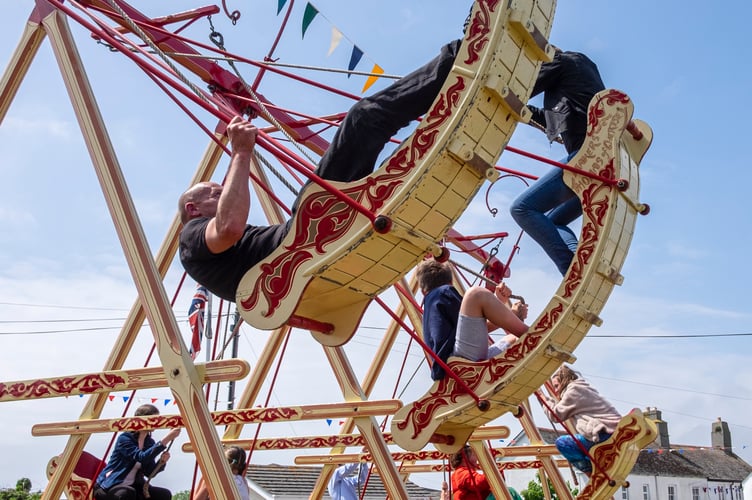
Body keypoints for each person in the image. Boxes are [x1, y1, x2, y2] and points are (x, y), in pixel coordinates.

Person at [179, 39, 463, 302]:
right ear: (193, 208)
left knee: (387, 163)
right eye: (216, 192)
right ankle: (458, 57)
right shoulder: (192, 236)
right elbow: (229, 228)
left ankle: (454, 85)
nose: (222, 192)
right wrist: (241, 152)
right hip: (305, 236)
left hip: (306, 253)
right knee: (362, 120)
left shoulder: (220, 256)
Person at [509, 47, 606, 276]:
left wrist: (494, 90)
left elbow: (520, 90)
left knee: (522, 209)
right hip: (604, 161)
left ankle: (570, 273)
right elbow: (554, 117)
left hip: (586, 158)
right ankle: (577, 265)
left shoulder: (559, 62)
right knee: (555, 220)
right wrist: (520, 111)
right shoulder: (581, 69)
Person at [543, 365, 622, 474]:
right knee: (578, 442)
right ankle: (594, 465)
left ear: (564, 380)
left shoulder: (574, 390)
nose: (556, 391)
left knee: (563, 443)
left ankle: (591, 472)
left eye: (556, 386)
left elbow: (556, 415)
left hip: (604, 435)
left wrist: (544, 399)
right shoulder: (582, 387)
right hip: (612, 431)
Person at [93, 404, 180, 500]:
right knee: (126, 493)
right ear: (143, 420)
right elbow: (140, 456)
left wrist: (161, 462)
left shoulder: (149, 442)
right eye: (154, 419)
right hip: (109, 486)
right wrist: (166, 439)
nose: (157, 423)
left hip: (134, 486)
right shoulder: (124, 438)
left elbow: (149, 472)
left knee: (164, 494)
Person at [452, 282, 529, 362]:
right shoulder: (442, 293)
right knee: (475, 294)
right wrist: (512, 314)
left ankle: (532, 335)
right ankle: (532, 335)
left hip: (470, 356)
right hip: (462, 360)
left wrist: (500, 302)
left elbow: (473, 330)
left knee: (514, 338)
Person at [416, 259, 462, 381]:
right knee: (476, 294)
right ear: (452, 282)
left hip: (442, 370)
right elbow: (471, 325)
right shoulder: (446, 291)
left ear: (422, 292)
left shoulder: (429, 304)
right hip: (458, 361)